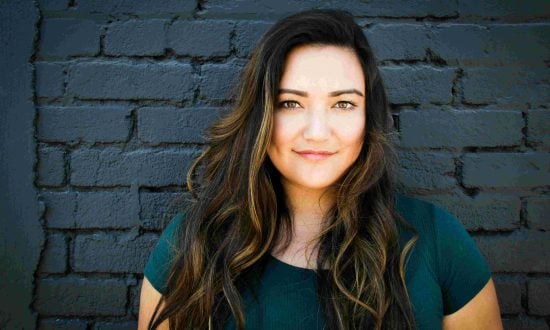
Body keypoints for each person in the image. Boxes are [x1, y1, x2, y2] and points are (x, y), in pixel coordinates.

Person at [138, 9, 502, 330]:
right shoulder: (193, 244)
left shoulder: (437, 241)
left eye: (343, 104)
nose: (316, 131)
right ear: (260, 115)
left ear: (367, 120)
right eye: (290, 103)